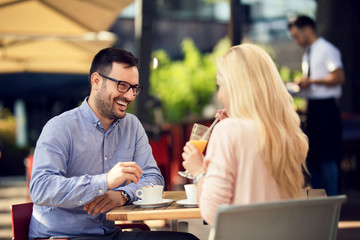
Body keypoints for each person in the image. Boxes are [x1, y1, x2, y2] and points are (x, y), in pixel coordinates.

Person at [29, 48, 198, 240]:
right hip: (62, 236)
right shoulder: (61, 127)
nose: (130, 96)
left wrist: (123, 195)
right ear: (96, 81)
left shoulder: (132, 126)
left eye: (134, 88)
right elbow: (41, 188)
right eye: (122, 85)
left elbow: (153, 178)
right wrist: (104, 181)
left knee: (187, 239)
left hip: (109, 234)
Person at [182, 43, 309, 225]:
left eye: (221, 86)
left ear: (236, 88)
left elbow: (212, 214)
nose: (219, 96)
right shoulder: (286, 132)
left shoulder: (226, 131)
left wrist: (199, 171)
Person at [288, 16, 345, 196]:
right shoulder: (308, 53)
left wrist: (311, 81)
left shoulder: (326, 49)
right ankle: (318, 202)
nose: (296, 40)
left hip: (326, 109)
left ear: (308, 29)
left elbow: (339, 77)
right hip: (313, 108)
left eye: (297, 35)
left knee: (328, 158)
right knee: (314, 159)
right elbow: (314, 86)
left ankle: (333, 203)